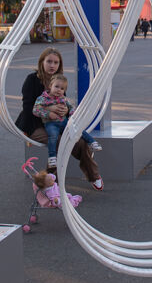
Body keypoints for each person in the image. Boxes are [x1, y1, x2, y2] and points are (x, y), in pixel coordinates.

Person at [15, 47, 103, 191]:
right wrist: (48, 111)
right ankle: (48, 183)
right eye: (49, 61)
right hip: (35, 123)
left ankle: (93, 176)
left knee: (79, 142)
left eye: (56, 62)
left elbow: (63, 102)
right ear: (41, 62)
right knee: (57, 143)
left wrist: (66, 110)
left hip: (56, 122)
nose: (52, 65)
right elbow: (28, 107)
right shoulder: (32, 79)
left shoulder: (59, 81)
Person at [32, 74, 103, 173]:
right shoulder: (43, 98)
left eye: (62, 88)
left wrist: (70, 115)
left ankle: (92, 142)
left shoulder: (63, 99)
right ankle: (52, 157)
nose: (58, 90)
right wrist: (48, 114)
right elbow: (35, 110)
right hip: (51, 123)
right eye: (56, 87)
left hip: (64, 122)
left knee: (77, 129)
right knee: (53, 137)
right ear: (50, 86)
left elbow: (71, 108)